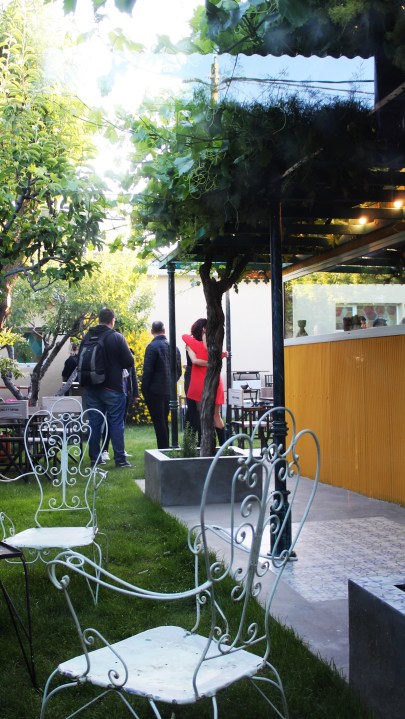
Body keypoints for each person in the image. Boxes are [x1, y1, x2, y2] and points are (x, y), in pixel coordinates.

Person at [78, 307, 135, 468]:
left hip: (91, 387)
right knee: (116, 422)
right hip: (112, 387)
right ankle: (120, 459)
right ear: (112, 320)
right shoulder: (116, 337)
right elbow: (129, 362)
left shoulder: (87, 336)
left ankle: (95, 459)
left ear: (99, 319)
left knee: (94, 422)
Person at [182, 318, 227, 446]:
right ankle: (224, 446)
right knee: (216, 415)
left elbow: (195, 361)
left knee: (203, 414)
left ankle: (205, 444)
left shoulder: (192, 344)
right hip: (215, 381)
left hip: (199, 382)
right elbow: (219, 355)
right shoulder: (214, 346)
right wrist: (214, 362)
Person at [141, 321, 182, 449]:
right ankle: (165, 448)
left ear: (152, 331)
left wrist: (144, 389)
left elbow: (148, 371)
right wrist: (171, 382)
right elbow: (179, 371)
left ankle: (163, 449)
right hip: (169, 390)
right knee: (163, 420)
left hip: (154, 390)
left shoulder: (152, 347)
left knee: (159, 422)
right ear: (164, 331)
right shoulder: (174, 347)